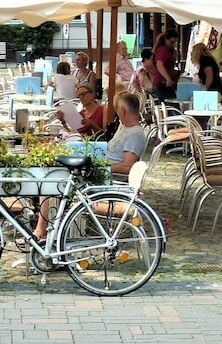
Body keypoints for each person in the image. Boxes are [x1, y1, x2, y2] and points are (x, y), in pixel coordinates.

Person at [29, 92, 147, 245]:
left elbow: (127, 167)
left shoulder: (135, 134)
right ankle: (50, 227)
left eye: (118, 111)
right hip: (98, 169)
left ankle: (40, 231)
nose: (117, 115)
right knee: (54, 172)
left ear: (123, 112)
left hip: (105, 178)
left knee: (51, 180)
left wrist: (99, 166)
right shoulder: (125, 127)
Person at [152, 29, 180, 102]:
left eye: (175, 42)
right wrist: (168, 79)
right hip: (162, 83)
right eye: (171, 42)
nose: (173, 44)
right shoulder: (163, 50)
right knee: (171, 103)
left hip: (160, 82)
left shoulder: (166, 49)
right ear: (165, 39)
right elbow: (159, 64)